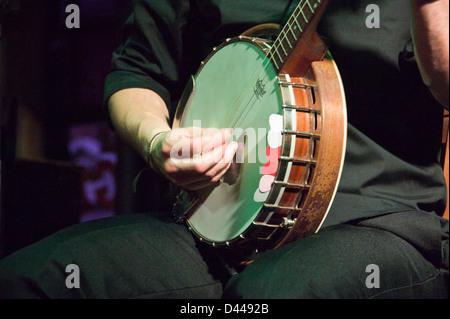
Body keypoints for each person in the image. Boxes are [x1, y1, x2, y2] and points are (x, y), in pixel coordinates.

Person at [0, 0, 448, 299]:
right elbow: (138, 71)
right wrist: (159, 142)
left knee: (263, 298)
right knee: (30, 279)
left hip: (373, 222)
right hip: (212, 228)